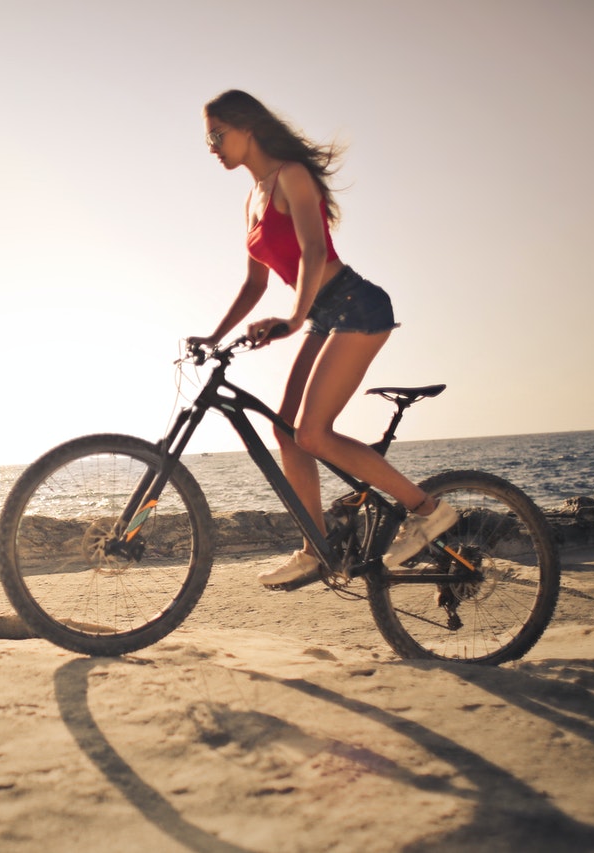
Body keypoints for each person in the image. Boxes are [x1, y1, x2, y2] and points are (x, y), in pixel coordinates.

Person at [189, 89, 455, 590]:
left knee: (312, 433)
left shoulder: (292, 175)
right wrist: (214, 335)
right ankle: (316, 548)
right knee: (286, 432)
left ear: (247, 128)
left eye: (217, 134)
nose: (212, 145)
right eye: (209, 137)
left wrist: (292, 319)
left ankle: (428, 510)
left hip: (357, 305)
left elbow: (313, 250)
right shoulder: (253, 197)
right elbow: (254, 284)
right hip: (324, 313)